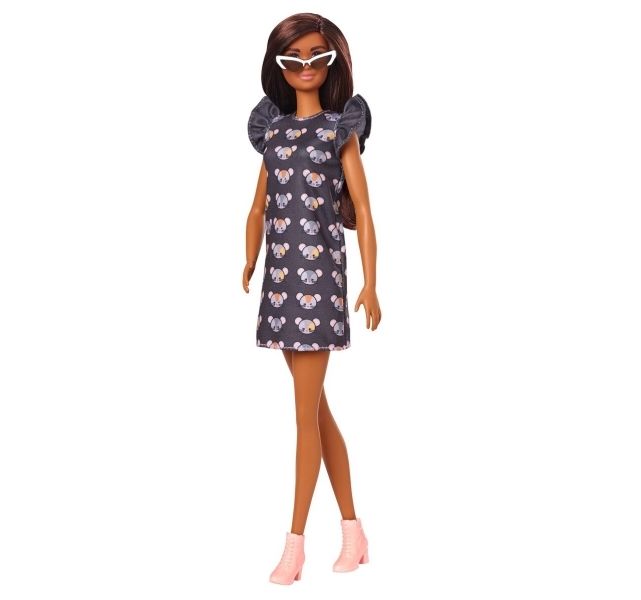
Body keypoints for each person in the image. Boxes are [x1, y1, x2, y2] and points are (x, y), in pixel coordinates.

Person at [242, 12, 382, 585]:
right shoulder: (273, 134)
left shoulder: (336, 131)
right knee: (316, 411)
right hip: (280, 284)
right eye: (293, 58)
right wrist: (250, 257)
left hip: (319, 284)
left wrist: (371, 282)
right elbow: (258, 206)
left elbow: (364, 209)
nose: (306, 66)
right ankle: (353, 531)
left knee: (305, 415)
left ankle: (294, 544)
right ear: (279, 66)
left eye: (316, 56)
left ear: (332, 62)